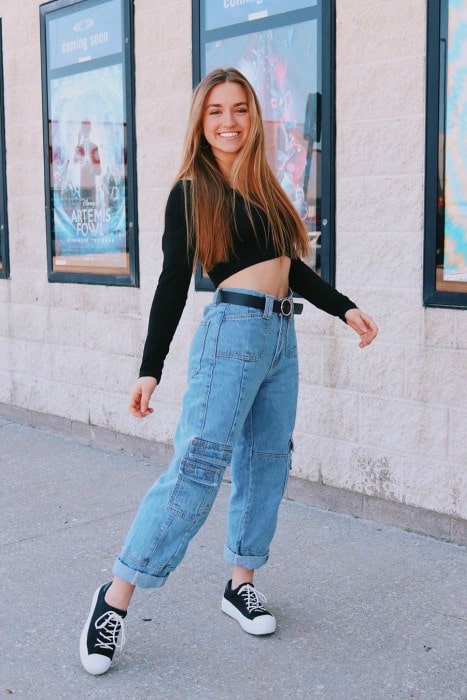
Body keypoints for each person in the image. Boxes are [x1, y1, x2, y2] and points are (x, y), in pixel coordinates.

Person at [80, 67, 378, 676]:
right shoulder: (191, 191)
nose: (229, 121)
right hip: (231, 336)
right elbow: (169, 284)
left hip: (279, 337)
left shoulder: (267, 187)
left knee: (267, 462)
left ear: (254, 118)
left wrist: (344, 309)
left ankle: (240, 582)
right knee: (197, 467)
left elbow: (289, 268)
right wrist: (149, 371)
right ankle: (115, 598)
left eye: (239, 109)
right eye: (216, 111)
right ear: (201, 122)